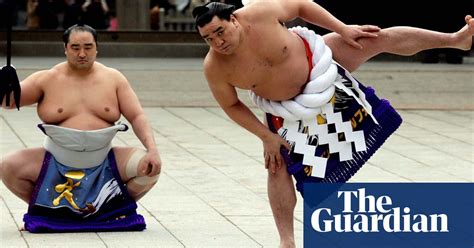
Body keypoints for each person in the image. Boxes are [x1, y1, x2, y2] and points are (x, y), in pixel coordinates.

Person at [192, 0, 473, 247]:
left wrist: (342, 29)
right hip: (286, 113)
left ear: (234, 19)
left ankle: (455, 39)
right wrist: (265, 136)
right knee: (276, 165)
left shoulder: (261, 12)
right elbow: (230, 104)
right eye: (209, 39)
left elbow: (302, 5)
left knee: (374, 37)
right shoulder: (215, 67)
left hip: (319, 63)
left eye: (220, 32)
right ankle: (286, 241)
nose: (218, 42)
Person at [0, 24, 162, 232]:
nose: (82, 53)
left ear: (97, 48)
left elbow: (137, 116)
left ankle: (113, 209)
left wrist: (152, 149)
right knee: (8, 167)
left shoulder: (114, 79)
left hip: (104, 158)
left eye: (88, 47)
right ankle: (47, 211)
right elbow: (9, 102)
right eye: (75, 47)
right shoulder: (47, 79)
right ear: (65, 48)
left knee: (148, 169)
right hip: (56, 159)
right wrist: (4, 84)